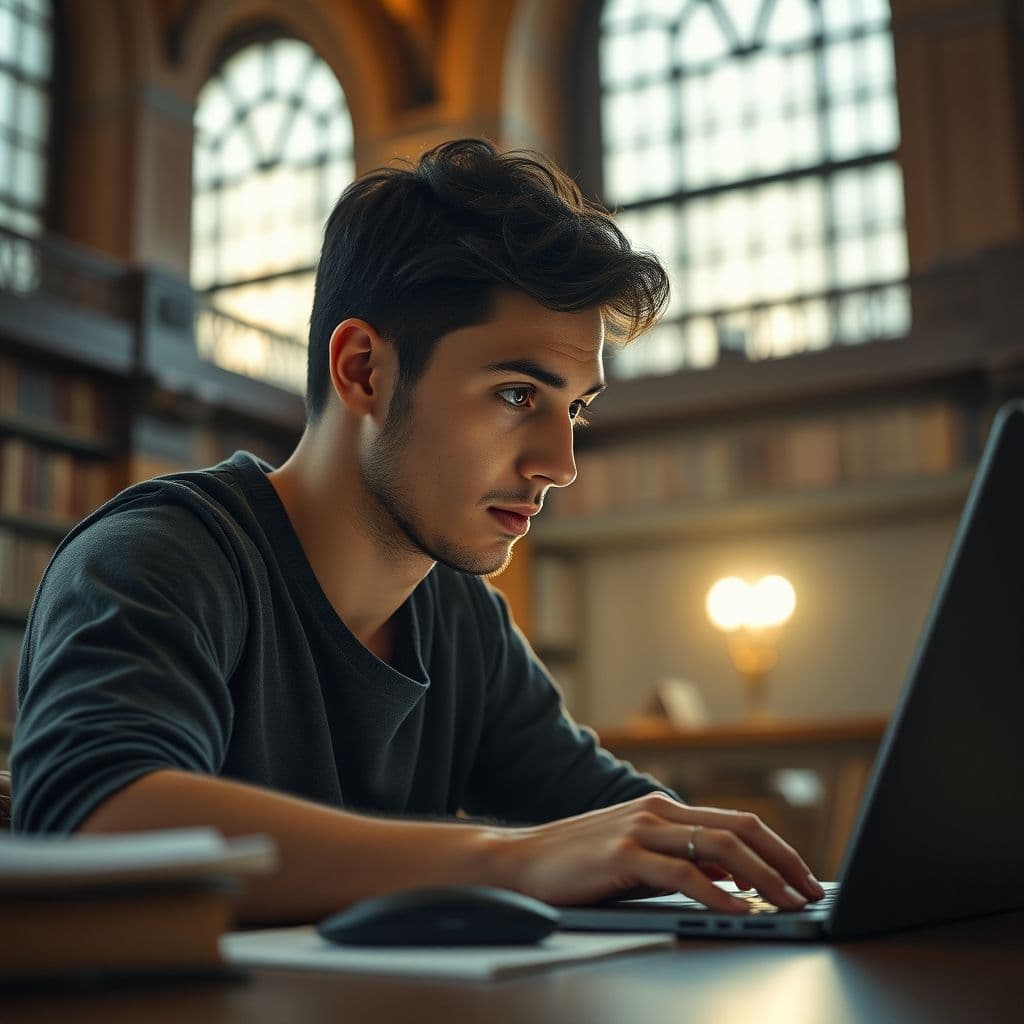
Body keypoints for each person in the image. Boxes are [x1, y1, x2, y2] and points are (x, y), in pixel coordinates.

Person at [11, 139, 824, 923]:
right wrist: (508, 859)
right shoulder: (157, 559)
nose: (560, 463)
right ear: (363, 368)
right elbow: (94, 819)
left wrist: (720, 859)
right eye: (516, 395)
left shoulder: (460, 616)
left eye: (574, 407)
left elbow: (611, 824)